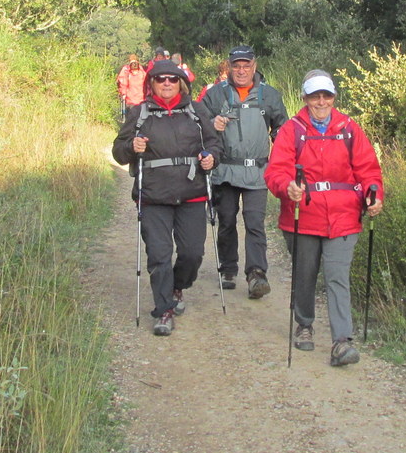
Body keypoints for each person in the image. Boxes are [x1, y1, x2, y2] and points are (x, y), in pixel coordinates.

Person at [264, 69, 384, 366]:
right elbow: (276, 171)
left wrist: (374, 193)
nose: (321, 101)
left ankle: (342, 341)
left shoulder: (349, 129)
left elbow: (368, 169)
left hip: (344, 215)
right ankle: (304, 325)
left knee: (337, 277)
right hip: (302, 214)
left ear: (333, 97)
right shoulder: (292, 130)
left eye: (326, 95)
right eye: (315, 96)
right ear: (305, 97)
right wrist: (286, 186)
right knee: (304, 276)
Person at [112, 59, 222, 336]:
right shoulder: (139, 114)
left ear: (181, 83)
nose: (166, 84)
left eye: (172, 79)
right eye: (160, 79)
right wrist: (131, 146)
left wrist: (211, 158)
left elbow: (213, 143)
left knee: (192, 253)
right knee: (159, 255)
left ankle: (177, 287)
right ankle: (164, 310)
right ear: (151, 83)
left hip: (192, 195)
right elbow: (118, 150)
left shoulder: (196, 112)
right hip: (153, 197)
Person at [201, 45, 288, 298]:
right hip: (225, 170)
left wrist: (281, 160)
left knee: (255, 222)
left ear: (254, 66)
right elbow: (197, 124)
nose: (241, 71)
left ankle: (256, 274)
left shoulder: (269, 95)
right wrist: (211, 123)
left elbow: (282, 129)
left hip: (258, 171)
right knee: (226, 220)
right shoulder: (215, 95)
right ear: (229, 67)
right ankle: (228, 268)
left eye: (246, 65)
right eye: (236, 66)